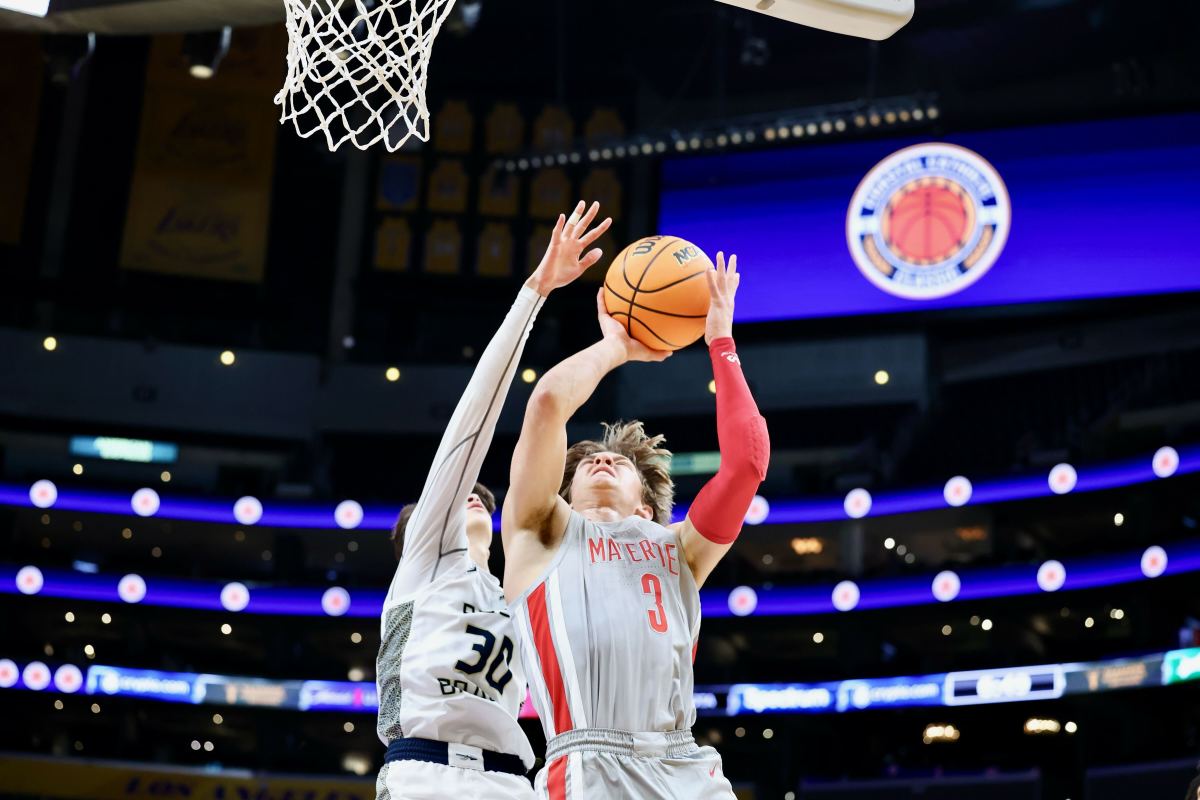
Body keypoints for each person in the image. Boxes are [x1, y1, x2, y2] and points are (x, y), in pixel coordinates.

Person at [502, 253, 769, 798]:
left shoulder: (680, 551)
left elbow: (748, 463)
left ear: (646, 508)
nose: (602, 461)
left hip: (688, 767)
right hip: (585, 765)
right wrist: (617, 347)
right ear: (564, 497)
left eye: (619, 463)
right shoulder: (540, 533)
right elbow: (549, 403)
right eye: (588, 465)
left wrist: (720, 340)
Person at [375, 202, 611, 800]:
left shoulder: (523, 593)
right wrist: (535, 292)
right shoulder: (425, 566)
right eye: (461, 501)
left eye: (484, 498)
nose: (475, 498)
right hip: (425, 774)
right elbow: (470, 428)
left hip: (513, 782)